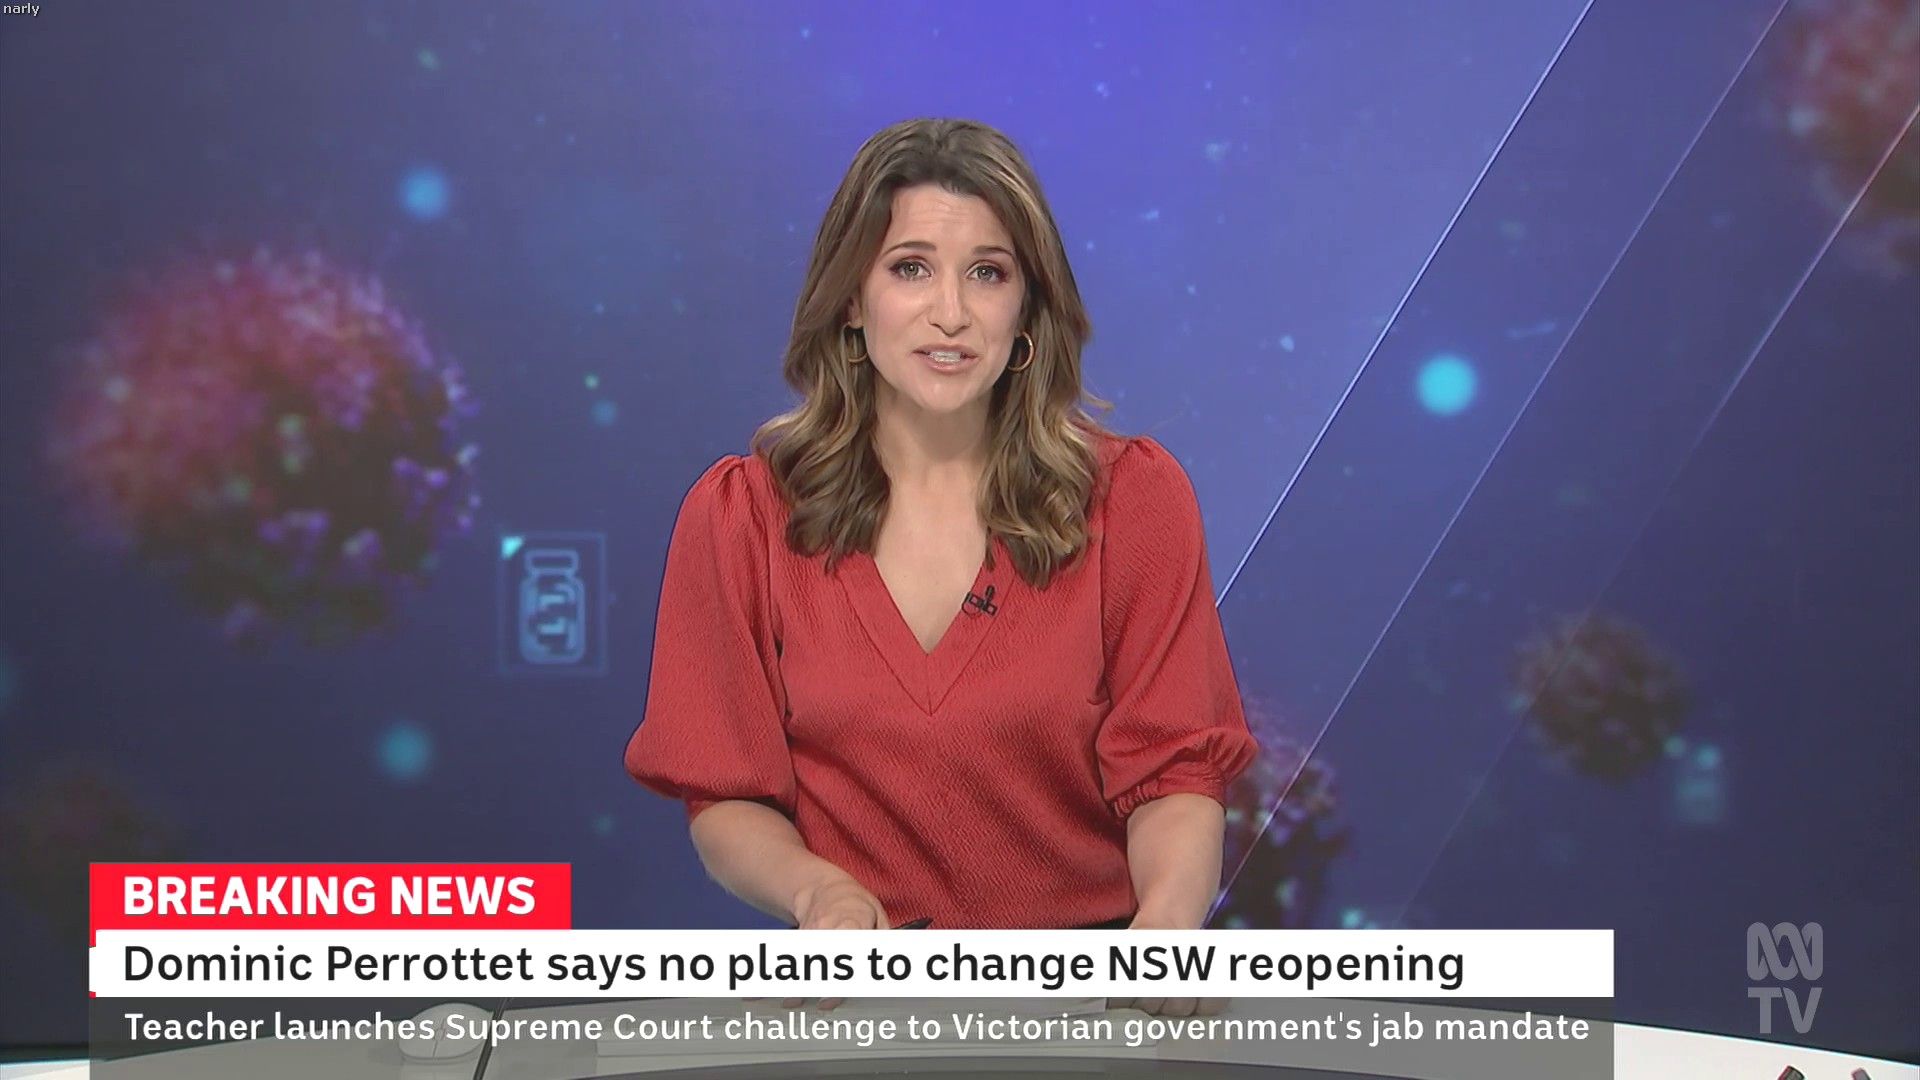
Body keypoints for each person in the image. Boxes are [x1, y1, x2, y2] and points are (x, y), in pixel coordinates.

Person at [623, 118, 1258, 1018]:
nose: (951, 313)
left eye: (988, 273)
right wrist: (820, 894)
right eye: (911, 268)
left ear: (1027, 308)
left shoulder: (1132, 502)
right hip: (859, 1012)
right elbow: (725, 796)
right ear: (852, 298)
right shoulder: (742, 518)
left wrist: (1164, 929)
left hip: (1088, 1011)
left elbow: (1177, 775)